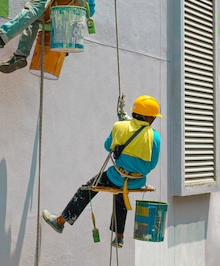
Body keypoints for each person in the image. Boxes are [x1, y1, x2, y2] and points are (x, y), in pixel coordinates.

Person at [42, 95, 163, 249]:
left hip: (116, 176)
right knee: (122, 194)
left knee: (86, 189)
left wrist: (122, 132)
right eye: (153, 117)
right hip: (138, 181)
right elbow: (152, 165)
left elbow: (107, 146)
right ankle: (119, 237)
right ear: (148, 117)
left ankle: (60, 221)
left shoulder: (120, 126)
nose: (153, 120)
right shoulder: (155, 137)